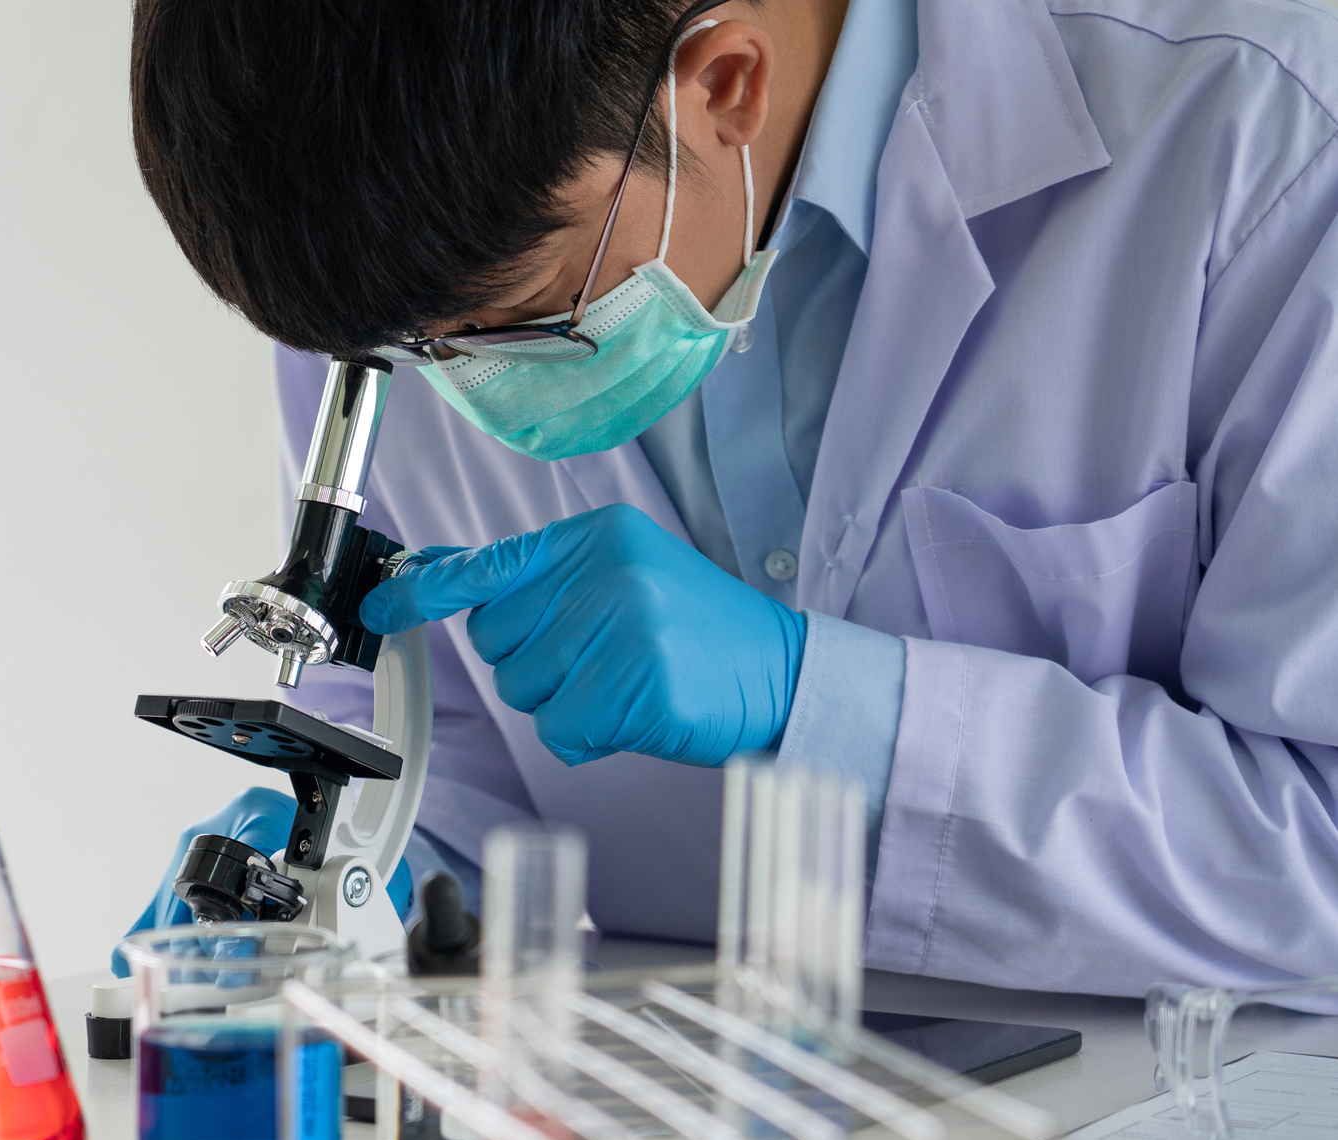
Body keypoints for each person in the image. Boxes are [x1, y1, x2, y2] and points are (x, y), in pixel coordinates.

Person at [115, 0, 1338, 1000]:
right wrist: (343, 877)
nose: (462, 388)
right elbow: (435, 773)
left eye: (517, 309)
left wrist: (824, 701)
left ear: (725, 86)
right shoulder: (415, 269)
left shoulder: (1260, 138)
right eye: (403, 350)